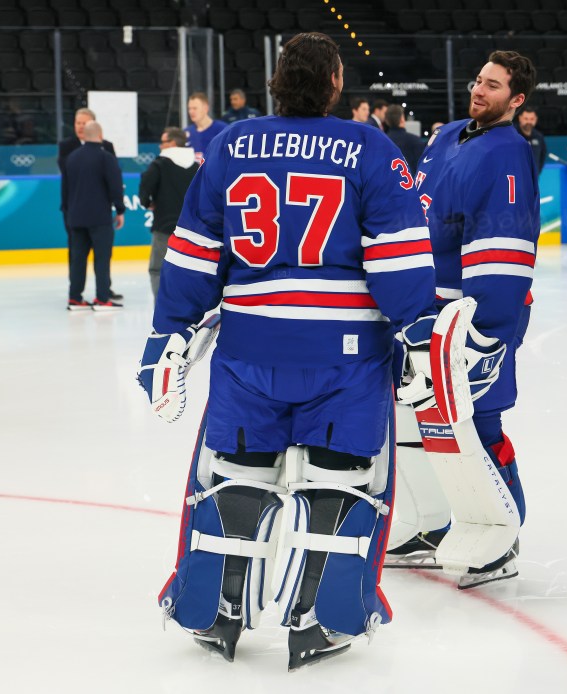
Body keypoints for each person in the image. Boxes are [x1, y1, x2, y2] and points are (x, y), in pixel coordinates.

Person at [137, 32, 437, 669]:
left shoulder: (229, 146)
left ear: (277, 79)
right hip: (346, 356)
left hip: (250, 349)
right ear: (333, 81)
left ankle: (215, 612)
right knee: (345, 483)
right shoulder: (368, 146)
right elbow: (398, 257)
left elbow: (192, 253)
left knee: (236, 476)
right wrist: (419, 327)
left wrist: (168, 332)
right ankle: (320, 618)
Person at [385, 50, 539, 588]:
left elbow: (502, 247)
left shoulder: (509, 153)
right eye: (478, 80)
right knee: (412, 419)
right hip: (423, 309)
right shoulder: (448, 133)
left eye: (493, 86)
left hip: (468, 314)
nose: (479, 90)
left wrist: (487, 332)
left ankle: (503, 531)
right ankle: (430, 524)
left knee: (479, 420)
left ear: (516, 100)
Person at [58, 108, 122, 302]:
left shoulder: (76, 155)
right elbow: (114, 182)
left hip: (77, 212)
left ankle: (76, 296)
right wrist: (120, 209)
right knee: (96, 256)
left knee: (80, 256)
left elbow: (66, 184)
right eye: (78, 123)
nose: (80, 126)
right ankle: (100, 296)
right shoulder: (70, 148)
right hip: (94, 213)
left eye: (84, 123)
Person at [138, 127, 198, 298]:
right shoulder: (195, 166)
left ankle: (162, 312)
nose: (160, 146)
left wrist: (147, 203)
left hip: (164, 226)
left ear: (172, 143)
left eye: (163, 142)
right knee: (188, 271)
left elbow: (145, 186)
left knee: (158, 270)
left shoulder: (159, 164)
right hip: (191, 230)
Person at [184, 91, 228, 163]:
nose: (191, 112)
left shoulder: (223, 130)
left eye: (195, 108)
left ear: (205, 108)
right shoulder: (186, 133)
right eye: (189, 108)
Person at [384, 104, 426, 172]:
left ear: (386, 121)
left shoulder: (382, 142)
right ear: (402, 119)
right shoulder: (416, 141)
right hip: (410, 181)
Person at [516, 106, 547, 173]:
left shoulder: (539, 136)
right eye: (526, 119)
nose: (529, 122)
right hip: (516, 177)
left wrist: (537, 172)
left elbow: (542, 156)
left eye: (532, 119)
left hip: (533, 178)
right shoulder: (513, 135)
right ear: (520, 118)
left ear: (536, 119)